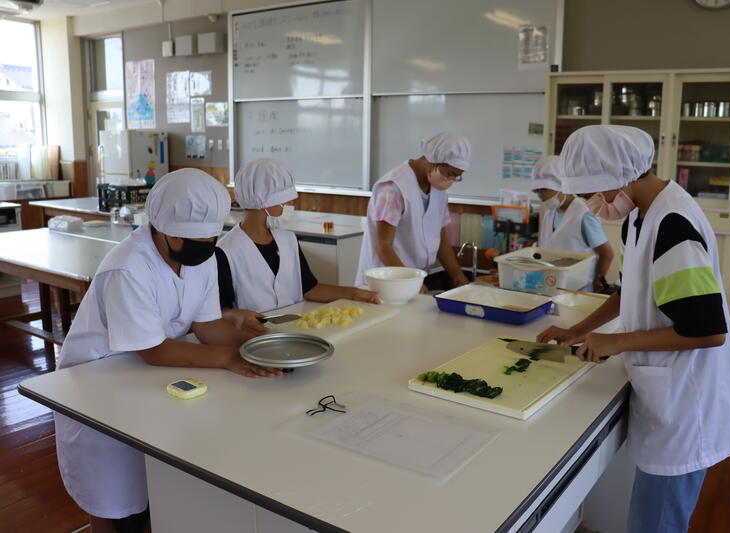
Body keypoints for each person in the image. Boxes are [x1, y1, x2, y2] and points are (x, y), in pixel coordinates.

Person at [537, 125, 730, 533]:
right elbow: (628, 289)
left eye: (591, 192)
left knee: (655, 523)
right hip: (665, 390)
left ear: (619, 175)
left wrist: (616, 342)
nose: (591, 204)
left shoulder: (674, 224)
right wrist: (577, 330)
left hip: (687, 405)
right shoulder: (639, 216)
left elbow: (707, 330)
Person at [54, 169, 282, 533]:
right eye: (190, 238)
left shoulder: (202, 258)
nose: (203, 245)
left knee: (161, 491)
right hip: (101, 383)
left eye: (209, 237)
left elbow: (207, 326)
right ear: (161, 228)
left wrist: (260, 347)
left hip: (155, 378)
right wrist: (230, 358)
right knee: (113, 501)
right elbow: (155, 350)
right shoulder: (128, 267)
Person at [216, 158, 378, 329]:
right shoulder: (226, 251)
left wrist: (354, 293)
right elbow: (218, 310)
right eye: (283, 200)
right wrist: (235, 316)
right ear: (266, 201)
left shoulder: (287, 240)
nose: (287, 204)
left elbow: (310, 288)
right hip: (252, 334)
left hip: (294, 328)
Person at [355, 131, 471, 290]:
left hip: (411, 280)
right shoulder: (394, 187)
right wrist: (409, 282)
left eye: (456, 177)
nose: (450, 180)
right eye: (450, 174)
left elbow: (442, 239)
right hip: (384, 281)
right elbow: (383, 246)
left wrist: (458, 277)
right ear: (433, 159)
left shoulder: (438, 190)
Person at [532, 155, 614, 291]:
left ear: (562, 185)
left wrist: (597, 283)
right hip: (550, 284)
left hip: (578, 287)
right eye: (537, 191)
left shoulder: (584, 214)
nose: (541, 195)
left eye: (544, 190)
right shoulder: (550, 213)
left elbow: (607, 254)